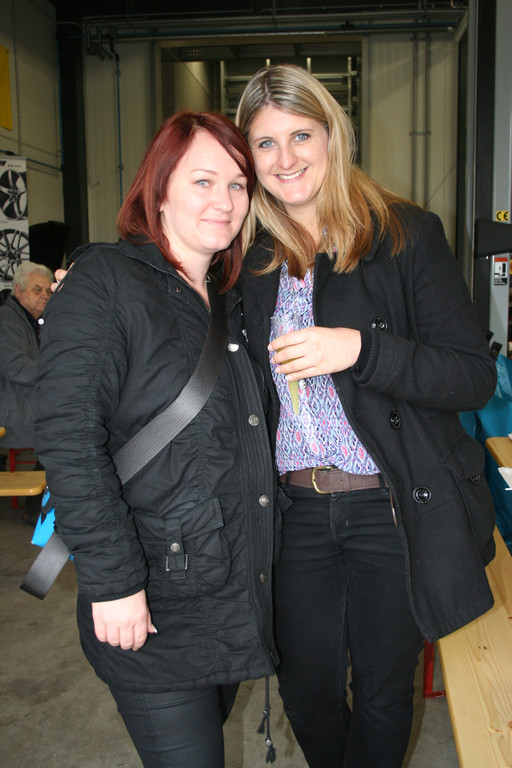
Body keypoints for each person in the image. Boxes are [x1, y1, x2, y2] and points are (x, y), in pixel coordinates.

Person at [235, 64, 497, 768]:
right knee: (307, 693)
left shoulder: (403, 234)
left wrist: (361, 350)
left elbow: (472, 376)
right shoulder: (248, 255)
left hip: (391, 506)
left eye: (301, 135)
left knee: (383, 693)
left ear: (333, 135)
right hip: (293, 511)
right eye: (265, 143)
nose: (285, 158)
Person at [33, 111, 280, 768]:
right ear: (159, 189)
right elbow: (66, 437)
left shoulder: (232, 298)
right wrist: (113, 582)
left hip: (229, 590)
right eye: (203, 181)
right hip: (150, 597)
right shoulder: (106, 281)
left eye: (237, 184)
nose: (225, 200)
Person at [0, 261, 52, 520]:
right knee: (60, 431)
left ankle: (39, 507)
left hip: (29, 400)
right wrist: (57, 369)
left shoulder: (33, 320)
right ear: (18, 291)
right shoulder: (7, 319)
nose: (44, 295)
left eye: (48, 290)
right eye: (37, 290)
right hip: (13, 407)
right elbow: (16, 368)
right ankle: (35, 510)